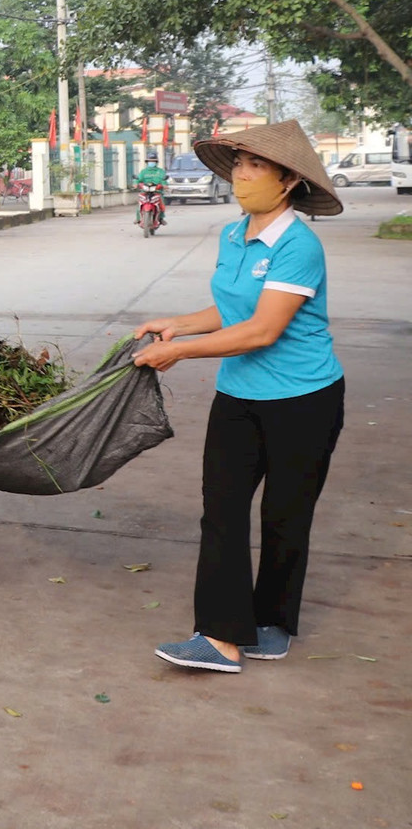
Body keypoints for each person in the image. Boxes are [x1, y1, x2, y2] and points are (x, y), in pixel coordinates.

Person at [131, 121, 345, 673]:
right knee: (221, 511)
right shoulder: (233, 235)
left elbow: (262, 331)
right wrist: (178, 324)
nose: (243, 176)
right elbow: (233, 310)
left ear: (288, 179)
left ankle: (274, 622)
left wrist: (180, 353)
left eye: (256, 167)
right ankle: (221, 636)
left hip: (305, 399)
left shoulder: (299, 244)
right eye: (239, 166)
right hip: (239, 396)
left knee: (284, 515)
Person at [137, 148, 169, 218]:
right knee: (140, 204)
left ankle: (161, 218)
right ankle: (138, 218)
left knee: (161, 203)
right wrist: (135, 183)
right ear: (147, 162)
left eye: (153, 161)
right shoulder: (143, 171)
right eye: (150, 161)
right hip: (145, 191)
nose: (151, 162)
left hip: (157, 191)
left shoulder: (160, 171)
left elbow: (164, 180)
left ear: (156, 162)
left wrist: (165, 185)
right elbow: (138, 179)